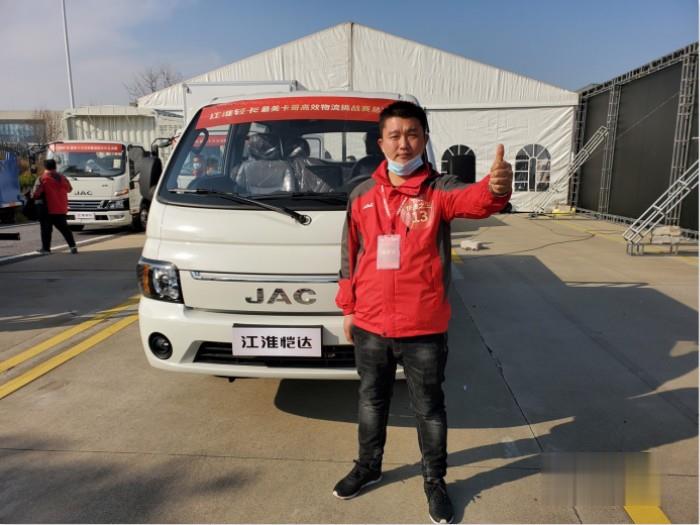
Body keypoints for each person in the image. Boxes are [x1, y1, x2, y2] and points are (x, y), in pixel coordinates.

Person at [333, 101, 512, 524]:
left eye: (412, 134)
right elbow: (349, 254)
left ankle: (434, 480)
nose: (403, 144)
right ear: (380, 142)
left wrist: (496, 189)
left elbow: (475, 201)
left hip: (423, 326)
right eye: (394, 135)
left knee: (429, 408)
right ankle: (368, 466)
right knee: (371, 400)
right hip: (371, 324)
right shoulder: (361, 195)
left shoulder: (438, 190)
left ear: (425, 140)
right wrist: (348, 308)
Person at [33, 158, 78, 255]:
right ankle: (73, 246)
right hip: (61, 208)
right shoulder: (63, 178)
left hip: (47, 209)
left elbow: (36, 194)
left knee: (46, 230)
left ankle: (46, 249)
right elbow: (69, 189)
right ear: (55, 166)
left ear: (45, 167)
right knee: (65, 229)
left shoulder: (42, 178)